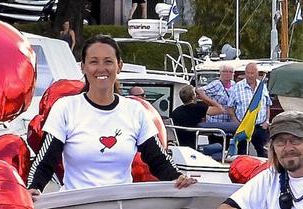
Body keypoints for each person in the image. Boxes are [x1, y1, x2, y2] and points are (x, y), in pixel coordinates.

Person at [26, 35, 195, 194]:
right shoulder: (65, 108)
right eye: (93, 62)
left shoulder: (135, 111)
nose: (101, 69)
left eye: (108, 62)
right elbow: (45, 160)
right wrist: (34, 188)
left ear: (119, 66)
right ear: (83, 67)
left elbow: (158, 159)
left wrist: (178, 178)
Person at [225, 62, 271, 157]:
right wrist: (236, 122)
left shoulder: (262, 86)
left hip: (260, 126)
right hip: (244, 126)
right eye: (248, 73)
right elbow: (229, 108)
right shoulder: (237, 87)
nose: (250, 75)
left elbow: (267, 104)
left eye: (252, 73)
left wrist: (267, 121)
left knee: (264, 153)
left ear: (257, 74)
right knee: (242, 154)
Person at [170, 84, 225, 161]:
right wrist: (204, 97)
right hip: (193, 147)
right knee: (219, 146)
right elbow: (220, 110)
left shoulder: (175, 111)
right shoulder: (198, 108)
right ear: (193, 97)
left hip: (180, 146)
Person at [196, 64, 239, 137]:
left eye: (230, 72)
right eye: (225, 71)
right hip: (216, 121)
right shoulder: (216, 84)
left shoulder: (234, 85)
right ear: (221, 73)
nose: (228, 74)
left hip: (229, 122)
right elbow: (199, 91)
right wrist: (209, 101)